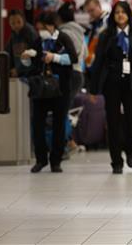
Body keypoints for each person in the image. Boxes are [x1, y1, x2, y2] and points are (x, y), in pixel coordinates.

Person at [90, 1, 132, 174]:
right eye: (117, 12)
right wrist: (93, 89)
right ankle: (116, 161)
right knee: (113, 122)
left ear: (128, 15)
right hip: (111, 83)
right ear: (113, 16)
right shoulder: (106, 35)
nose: (120, 15)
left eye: (123, 12)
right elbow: (98, 62)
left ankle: (130, 150)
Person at [30, 12, 78, 173]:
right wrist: (27, 57)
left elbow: (73, 58)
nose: (39, 31)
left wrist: (55, 57)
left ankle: (56, 160)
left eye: (42, 28)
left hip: (61, 88)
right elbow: (33, 61)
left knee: (59, 124)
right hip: (41, 89)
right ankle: (40, 159)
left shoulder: (63, 39)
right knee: (37, 124)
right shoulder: (38, 41)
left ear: (51, 26)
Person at [57, 2, 87, 105]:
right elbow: (85, 54)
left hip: (69, 74)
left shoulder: (64, 33)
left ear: (60, 18)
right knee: (66, 108)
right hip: (79, 74)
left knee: (62, 109)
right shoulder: (81, 32)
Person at [6, 9, 41, 78]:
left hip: (31, 75)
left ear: (23, 20)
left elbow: (35, 55)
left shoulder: (30, 33)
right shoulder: (13, 35)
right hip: (19, 74)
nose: (16, 25)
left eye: (19, 22)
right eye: (13, 23)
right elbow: (8, 53)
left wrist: (18, 70)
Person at [83, 0, 109, 72]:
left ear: (99, 6)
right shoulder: (92, 24)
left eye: (92, 10)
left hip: (104, 65)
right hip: (92, 66)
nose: (90, 13)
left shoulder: (108, 21)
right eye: (88, 11)